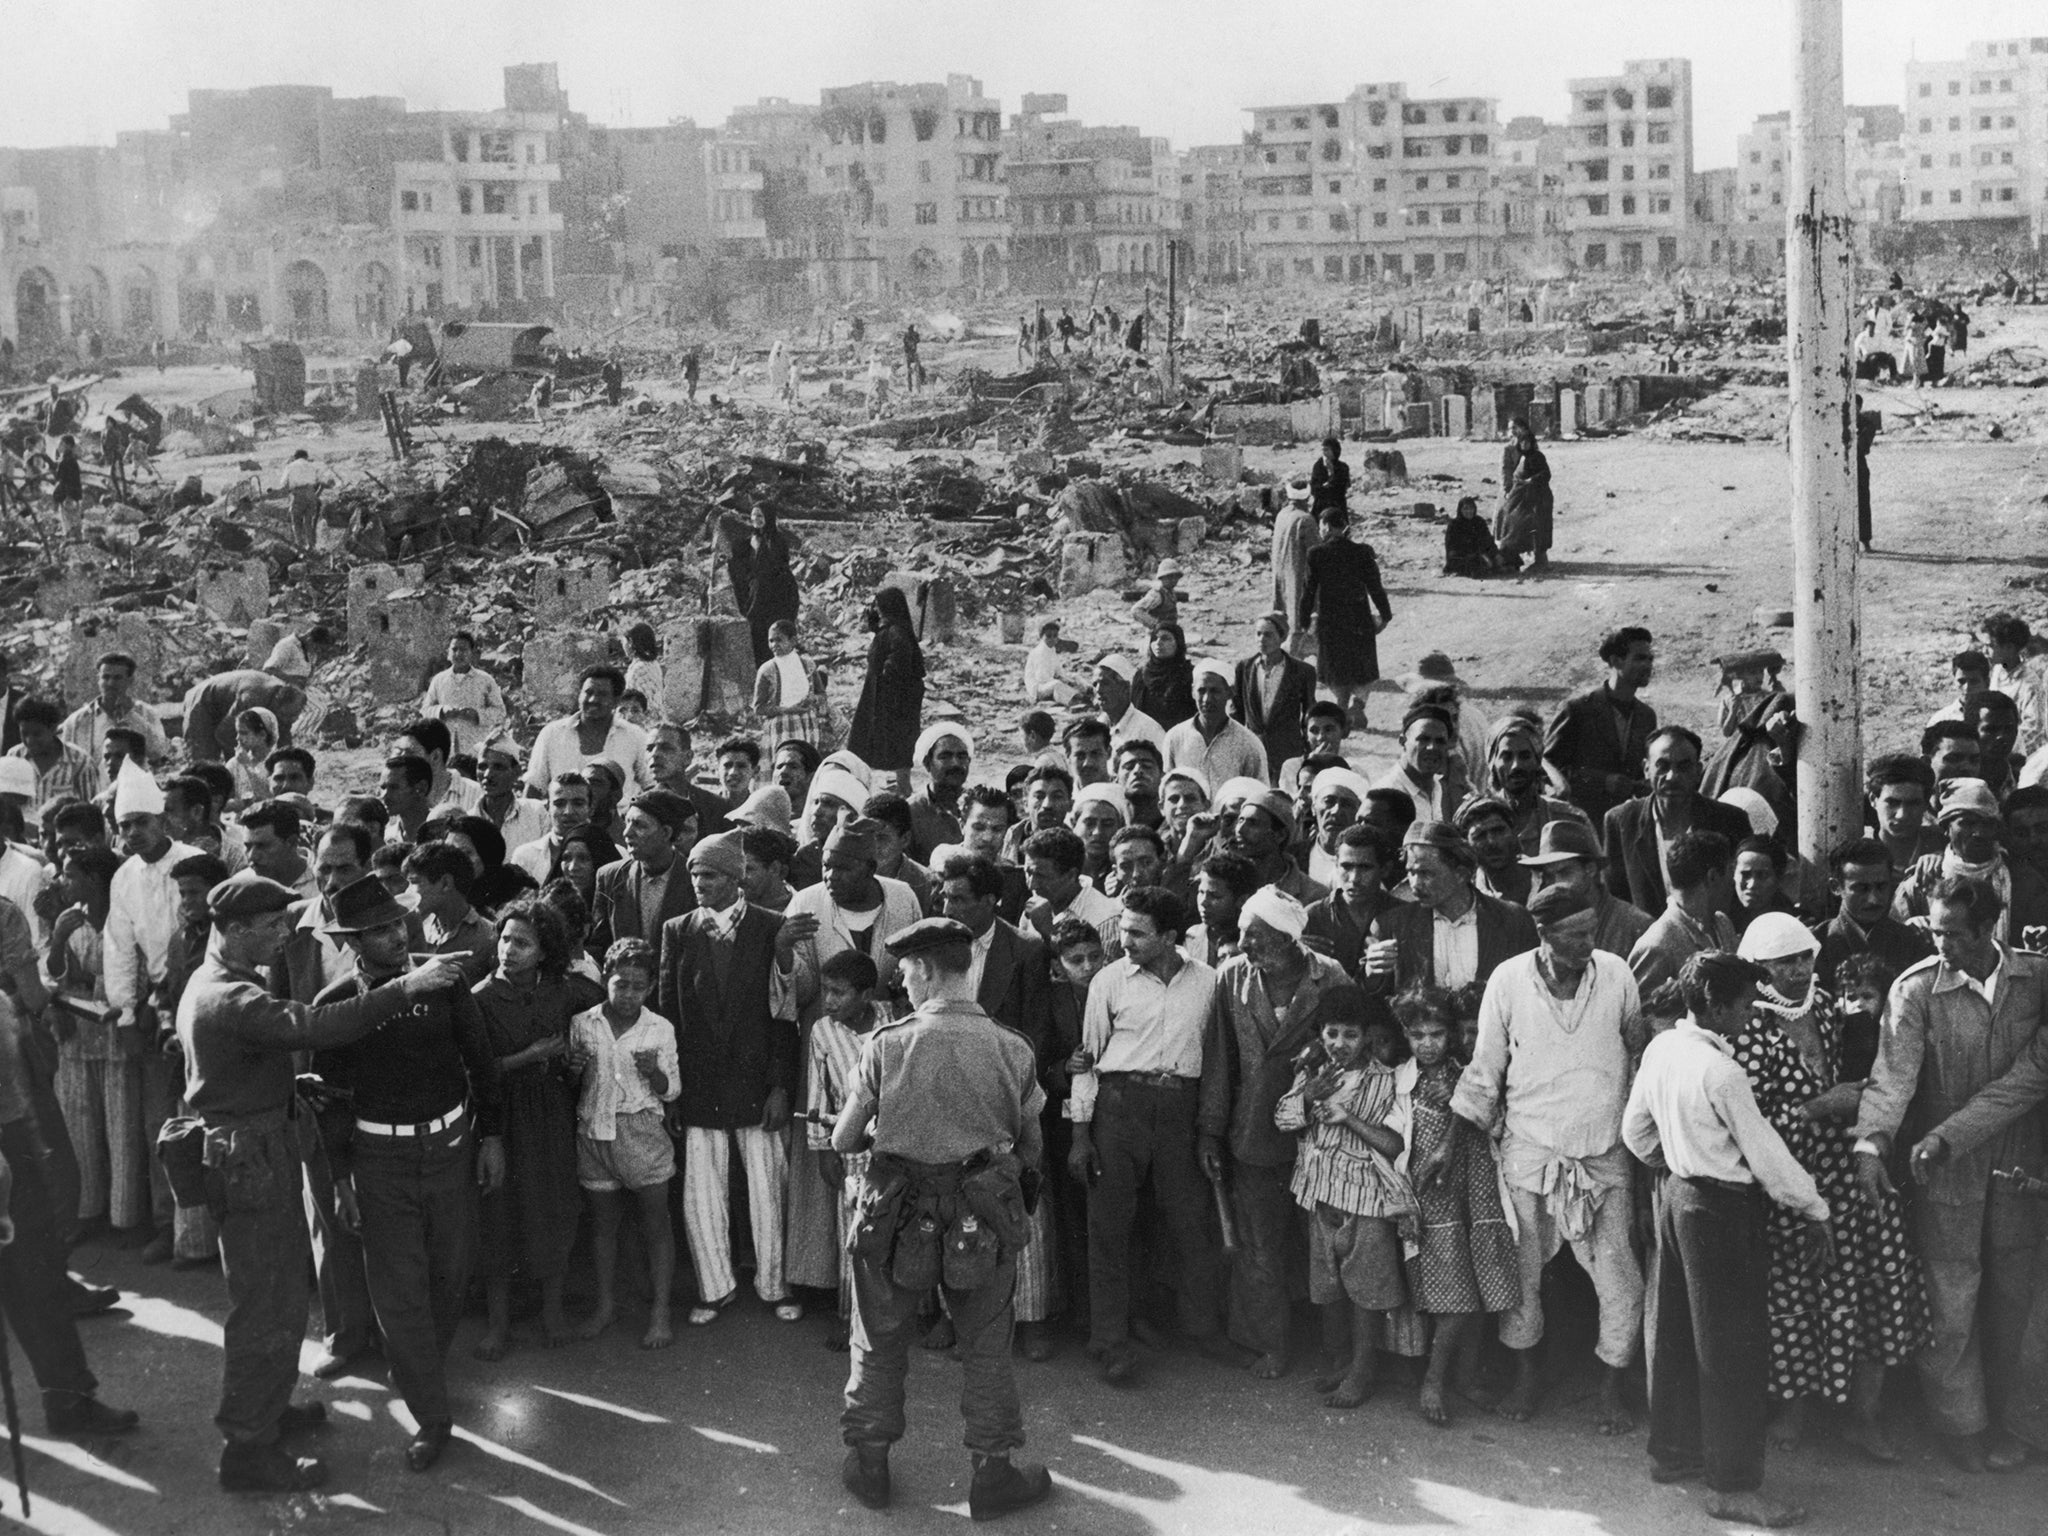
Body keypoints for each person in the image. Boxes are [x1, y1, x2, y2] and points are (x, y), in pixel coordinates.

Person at [180, 869, 466, 1491]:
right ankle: (248, 1450)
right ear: (231, 931)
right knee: (269, 1303)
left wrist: (287, 1084)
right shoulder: (232, 996)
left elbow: (239, 1067)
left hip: (256, 1141)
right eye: (271, 926)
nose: (285, 935)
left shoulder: (220, 980)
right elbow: (311, 1028)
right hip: (252, 1155)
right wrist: (406, 988)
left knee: (275, 1293)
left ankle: (266, 1412)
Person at [833, 917, 1053, 1521]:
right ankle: (993, 1472)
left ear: (927, 970)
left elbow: (844, 1138)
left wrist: (889, 1129)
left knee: (878, 1336)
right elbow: (1031, 1145)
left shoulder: (887, 1044)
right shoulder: (1012, 1046)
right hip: (980, 1213)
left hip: (894, 1209)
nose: (902, 985)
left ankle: (871, 1463)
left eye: (904, 973)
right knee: (986, 1344)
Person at [1624, 951, 1833, 1528]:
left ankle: (1673, 1453)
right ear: (1715, 1006)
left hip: (1677, 1196)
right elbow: (1766, 1153)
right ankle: (1733, 1486)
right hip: (1720, 1207)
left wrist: (1674, 1166)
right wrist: (1814, 1208)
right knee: (1733, 1349)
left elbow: (1634, 1129)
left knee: (1675, 1330)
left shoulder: (1663, 1047)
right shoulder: (1723, 1073)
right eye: (1744, 1006)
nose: (1750, 1015)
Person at [311, 875, 505, 1473]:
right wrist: (341, 1180)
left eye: (399, 923)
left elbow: (481, 1060)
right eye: (379, 930)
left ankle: (414, 1364)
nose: (397, 935)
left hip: (449, 1149)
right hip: (379, 1162)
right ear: (353, 942)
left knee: (449, 1275)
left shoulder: (446, 982)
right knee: (399, 1293)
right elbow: (330, 1103)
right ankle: (431, 1416)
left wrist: (491, 1135)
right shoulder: (336, 1005)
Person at [1856, 874, 2048, 1471]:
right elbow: (1893, 1075)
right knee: (1950, 1293)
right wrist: (1871, 1143)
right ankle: (1959, 1424)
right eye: (1935, 931)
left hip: (2017, 1160)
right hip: (1944, 1169)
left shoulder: (2037, 979)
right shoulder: (1915, 992)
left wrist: (1945, 1136)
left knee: (2021, 1301)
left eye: (1956, 935)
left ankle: (2023, 1427)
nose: (1943, 946)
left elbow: (2031, 1079)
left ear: (1991, 926)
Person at [1442, 882, 1645, 1430]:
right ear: (1543, 934)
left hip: (1603, 1151)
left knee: (1619, 1276)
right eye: (1574, 935)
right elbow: (1485, 1071)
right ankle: (1527, 1377)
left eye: (1591, 931)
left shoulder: (1618, 975)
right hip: (1528, 1152)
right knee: (1521, 1273)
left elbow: (1638, 1049)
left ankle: (1611, 1388)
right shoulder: (1508, 981)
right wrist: (1450, 1143)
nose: (1587, 943)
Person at [1730, 913, 1929, 1461]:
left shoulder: (1823, 1004)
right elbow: (1749, 1125)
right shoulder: (1749, 1027)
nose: (1796, 971)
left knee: (1877, 1281)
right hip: (1794, 1182)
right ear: (1757, 967)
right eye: (1782, 962)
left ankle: (1863, 1417)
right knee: (1797, 1294)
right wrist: (1819, 1108)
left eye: (1803, 958)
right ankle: (1792, 1410)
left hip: (1854, 1167)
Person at [1066, 887, 1232, 1386]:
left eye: (1137, 932)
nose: (1124, 940)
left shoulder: (1208, 983)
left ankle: (1201, 1329)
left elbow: (1216, 1062)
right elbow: (1088, 1061)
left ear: (1170, 937)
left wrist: (1207, 1129)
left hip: (1180, 1110)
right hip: (1119, 1109)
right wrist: (1080, 1134)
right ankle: (1110, 1343)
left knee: (1189, 1224)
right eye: (1123, 927)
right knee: (1110, 1227)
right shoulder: (1109, 981)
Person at [660, 832, 802, 1326]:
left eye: (712, 875)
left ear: (736, 878)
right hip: (699, 1083)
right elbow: (668, 1014)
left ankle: (775, 1284)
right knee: (702, 1191)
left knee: (768, 1187)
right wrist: (673, 1090)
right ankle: (714, 1287)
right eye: (696, 875)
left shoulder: (770, 927)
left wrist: (780, 1087)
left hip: (757, 1081)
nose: (701, 884)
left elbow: (783, 1019)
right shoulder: (678, 930)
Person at [1213, 888, 1353, 1378]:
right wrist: (1211, 1132)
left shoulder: (1329, 976)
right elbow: (1219, 1060)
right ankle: (1270, 1344)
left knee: (1324, 1247)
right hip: (1252, 1131)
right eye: (1243, 934)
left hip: (1319, 1134)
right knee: (1259, 1247)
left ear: (1285, 938)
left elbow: (1352, 1047)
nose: (1244, 944)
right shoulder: (1232, 976)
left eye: (1254, 936)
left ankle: (1338, 1351)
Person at [1273, 983, 1411, 1411]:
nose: (1339, 1044)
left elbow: (1394, 1143)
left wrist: (1348, 1118)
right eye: (1331, 1033)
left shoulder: (1385, 1081)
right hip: (1319, 1194)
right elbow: (1282, 1120)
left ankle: (1363, 1371)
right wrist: (1307, 1095)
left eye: (1350, 1035)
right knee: (1329, 1287)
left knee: (1367, 1291)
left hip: (1365, 1200)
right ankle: (1341, 1360)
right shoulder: (1311, 1075)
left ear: (1367, 1036)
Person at [1388, 984, 1520, 1426]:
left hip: (1477, 1184)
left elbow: (1487, 1114)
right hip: (1434, 1190)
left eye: (1437, 1034)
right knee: (1453, 1292)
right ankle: (1434, 1378)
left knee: (1481, 1283)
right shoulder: (1400, 1080)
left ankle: (1463, 1376)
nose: (1428, 1044)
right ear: (1405, 1036)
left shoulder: (1469, 1070)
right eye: (1418, 1035)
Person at [470, 899, 587, 1359]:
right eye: (505, 939)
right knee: (499, 1215)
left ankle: (552, 1312)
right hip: (501, 1117)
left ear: (544, 951)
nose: (509, 950)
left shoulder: (560, 991)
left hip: (552, 1112)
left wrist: (572, 1065)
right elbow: (474, 1072)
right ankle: (498, 1325)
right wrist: (530, 1056)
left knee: (553, 1211)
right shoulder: (479, 998)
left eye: (523, 942)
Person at [1364, 821, 1537, 1004]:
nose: (1415, 884)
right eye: (1411, 872)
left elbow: (1530, 991)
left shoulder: (1513, 920)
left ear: (1461, 874)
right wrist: (1372, 973)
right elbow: (1375, 1003)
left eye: (1426, 873)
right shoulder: (1391, 926)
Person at [1603, 728, 1757, 915]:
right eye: (1662, 766)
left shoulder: (1730, 820)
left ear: (1698, 771)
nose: (1672, 776)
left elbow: (1745, 894)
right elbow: (1615, 899)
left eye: (1683, 767)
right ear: (1646, 768)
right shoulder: (1621, 821)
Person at [1545, 627, 1657, 828]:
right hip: (1582, 823)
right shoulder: (1578, 710)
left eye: (1650, 659)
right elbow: (1546, 766)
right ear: (1615, 661)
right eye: (1640, 658)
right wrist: (1602, 781)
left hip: (1627, 825)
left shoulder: (1646, 717)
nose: (1648, 665)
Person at [1300, 505, 1393, 731]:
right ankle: (1358, 704)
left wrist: (1305, 622)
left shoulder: (1316, 554)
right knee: (1364, 669)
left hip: (1330, 622)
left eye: (1322, 526)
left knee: (1336, 672)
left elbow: (1308, 592)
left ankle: (1341, 707)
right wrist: (1385, 615)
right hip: (1359, 620)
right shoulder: (1362, 552)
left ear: (1327, 526)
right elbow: (1375, 587)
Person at [524, 666, 652, 798]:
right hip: (563, 816)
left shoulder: (635, 736)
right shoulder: (552, 733)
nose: (593, 700)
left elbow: (651, 783)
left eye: (602, 694)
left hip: (618, 816)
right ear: (579, 695)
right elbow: (534, 785)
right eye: (588, 692)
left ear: (616, 701)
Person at [848, 589, 925, 797]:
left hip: (891, 697)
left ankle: (902, 788)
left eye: (878, 605)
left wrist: (885, 678)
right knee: (886, 740)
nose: (875, 609)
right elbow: (875, 629)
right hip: (881, 694)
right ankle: (899, 786)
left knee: (897, 740)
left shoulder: (896, 632)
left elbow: (898, 663)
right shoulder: (891, 629)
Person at [1233, 613, 1317, 787]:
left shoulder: (1302, 671)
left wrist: (1307, 747)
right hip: (1253, 748)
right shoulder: (1245, 667)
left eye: (1268, 634)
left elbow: (1309, 711)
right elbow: (1238, 710)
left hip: (1287, 749)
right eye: (1258, 634)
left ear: (1282, 637)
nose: (1262, 639)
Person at [1165, 660, 1268, 788]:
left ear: (1230, 692)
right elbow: (1166, 789)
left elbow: (1260, 792)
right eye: (1201, 691)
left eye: (1215, 691)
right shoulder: (1175, 737)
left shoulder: (1248, 743)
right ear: (1192, 692)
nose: (1207, 699)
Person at [59, 651, 169, 766]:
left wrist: (131, 715)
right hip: (96, 783)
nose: (110, 683)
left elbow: (159, 753)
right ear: (98, 679)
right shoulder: (77, 721)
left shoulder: (146, 713)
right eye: (105, 677)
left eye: (117, 678)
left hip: (133, 782)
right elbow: (64, 762)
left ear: (130, 681)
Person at [180, 670, 307, 765]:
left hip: (226, 703)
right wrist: (242, 766)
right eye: (286, 716)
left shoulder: (289, 703)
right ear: (276, 704)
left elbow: (283, 736)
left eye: (295, 716)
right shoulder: (252, 699)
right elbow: (225, 734)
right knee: (204, 762)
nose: (290, 720)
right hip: (202, 702)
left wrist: (289, 762)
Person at [419, 633, 507, 761]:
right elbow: (425, 710)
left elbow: (500, 712)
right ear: (448, 652)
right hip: (445, 748)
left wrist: (477, 715)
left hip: (475, 748)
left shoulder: (485, 680)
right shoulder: (439, 680)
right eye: (454, 649)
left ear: (472, 653)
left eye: (464, 650)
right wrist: (442, 711)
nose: (458, 654)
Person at [1495, 416, 1553, 573]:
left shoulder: (1533, 450)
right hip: (1514, 492)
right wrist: (1508, 491)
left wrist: (1532, 481)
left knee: (1536, 521)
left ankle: (1540, 558)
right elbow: (1505, 471)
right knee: (1507, 517)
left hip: (1534, 493)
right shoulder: (1508, 449)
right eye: (1510, 428)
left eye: (1515, 427)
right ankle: (1510, 556)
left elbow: (1542, 470)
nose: (1512, 431)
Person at [1269, 485, 1317, 650]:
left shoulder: (1282, 515)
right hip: (1297, 575)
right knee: (1298, 619)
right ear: (1307, 498)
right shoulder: (1305, 519)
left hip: (1282, 573)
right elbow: (1315, 551)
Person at [1129, 625, 1196, 732]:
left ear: (1178, 643)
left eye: (1165, 638)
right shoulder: (1142, 675)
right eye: (1154, 639)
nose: (1158, 643)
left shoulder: (1190, 675)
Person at [279, 450, 334, 549]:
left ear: (295, 457)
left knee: (296, 521)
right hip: (311, 493)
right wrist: (315, 495)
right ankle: (311, 545)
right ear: (306, 457)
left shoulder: (290, 466)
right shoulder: (313, 466)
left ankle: (300, 546)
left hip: (298, 494)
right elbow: (323, 482)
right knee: (308, 522)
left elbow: (283, 484)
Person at [1443, 494, 1501, 578]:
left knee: (1507, 553)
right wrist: (1479, 555)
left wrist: (1495, 554)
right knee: (1475, 563)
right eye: (1465, 509)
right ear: (1460, 510)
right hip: (1462, 556)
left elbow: (1488, 540)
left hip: (1481, 553)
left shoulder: (1479, 521)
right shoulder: (1454, 524)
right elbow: (1451, 548)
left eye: (1471, 508)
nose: (1469, 511)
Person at [1308, 437, 1350, 516]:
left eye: (1327, 450)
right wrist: (1326, 486)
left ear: (1335, 450)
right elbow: (1314, 490)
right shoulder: (1318, 466)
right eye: (1323, 450)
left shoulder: (1343, 467)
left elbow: (1342, 489)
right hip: (1321, 507)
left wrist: (1332, 473)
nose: (1324, 453)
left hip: (1337, 506)